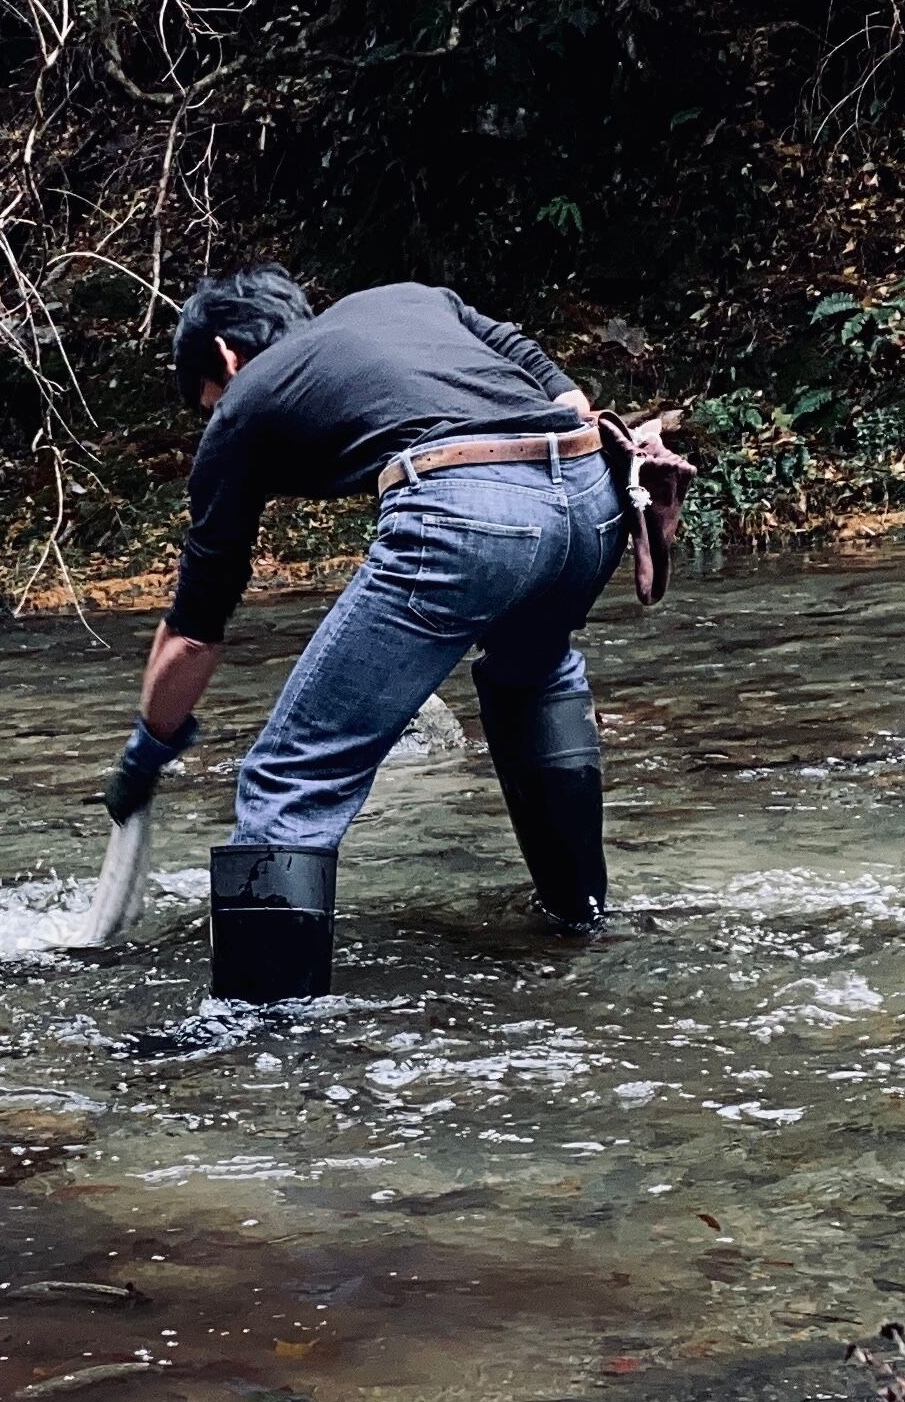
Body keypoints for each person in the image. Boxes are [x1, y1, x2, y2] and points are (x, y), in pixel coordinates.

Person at [100, 264, 622, 1000]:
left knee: (289, 776)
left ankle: (258, 1027)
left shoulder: (246, 401)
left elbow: (194, 632)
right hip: (594, 503)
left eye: (208, 403)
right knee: (532, 674)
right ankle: (580, 925)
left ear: (225, 356)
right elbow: (552, 381)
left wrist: (147, 750)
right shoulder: (409, 299)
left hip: (463, 510)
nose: (215, 418)